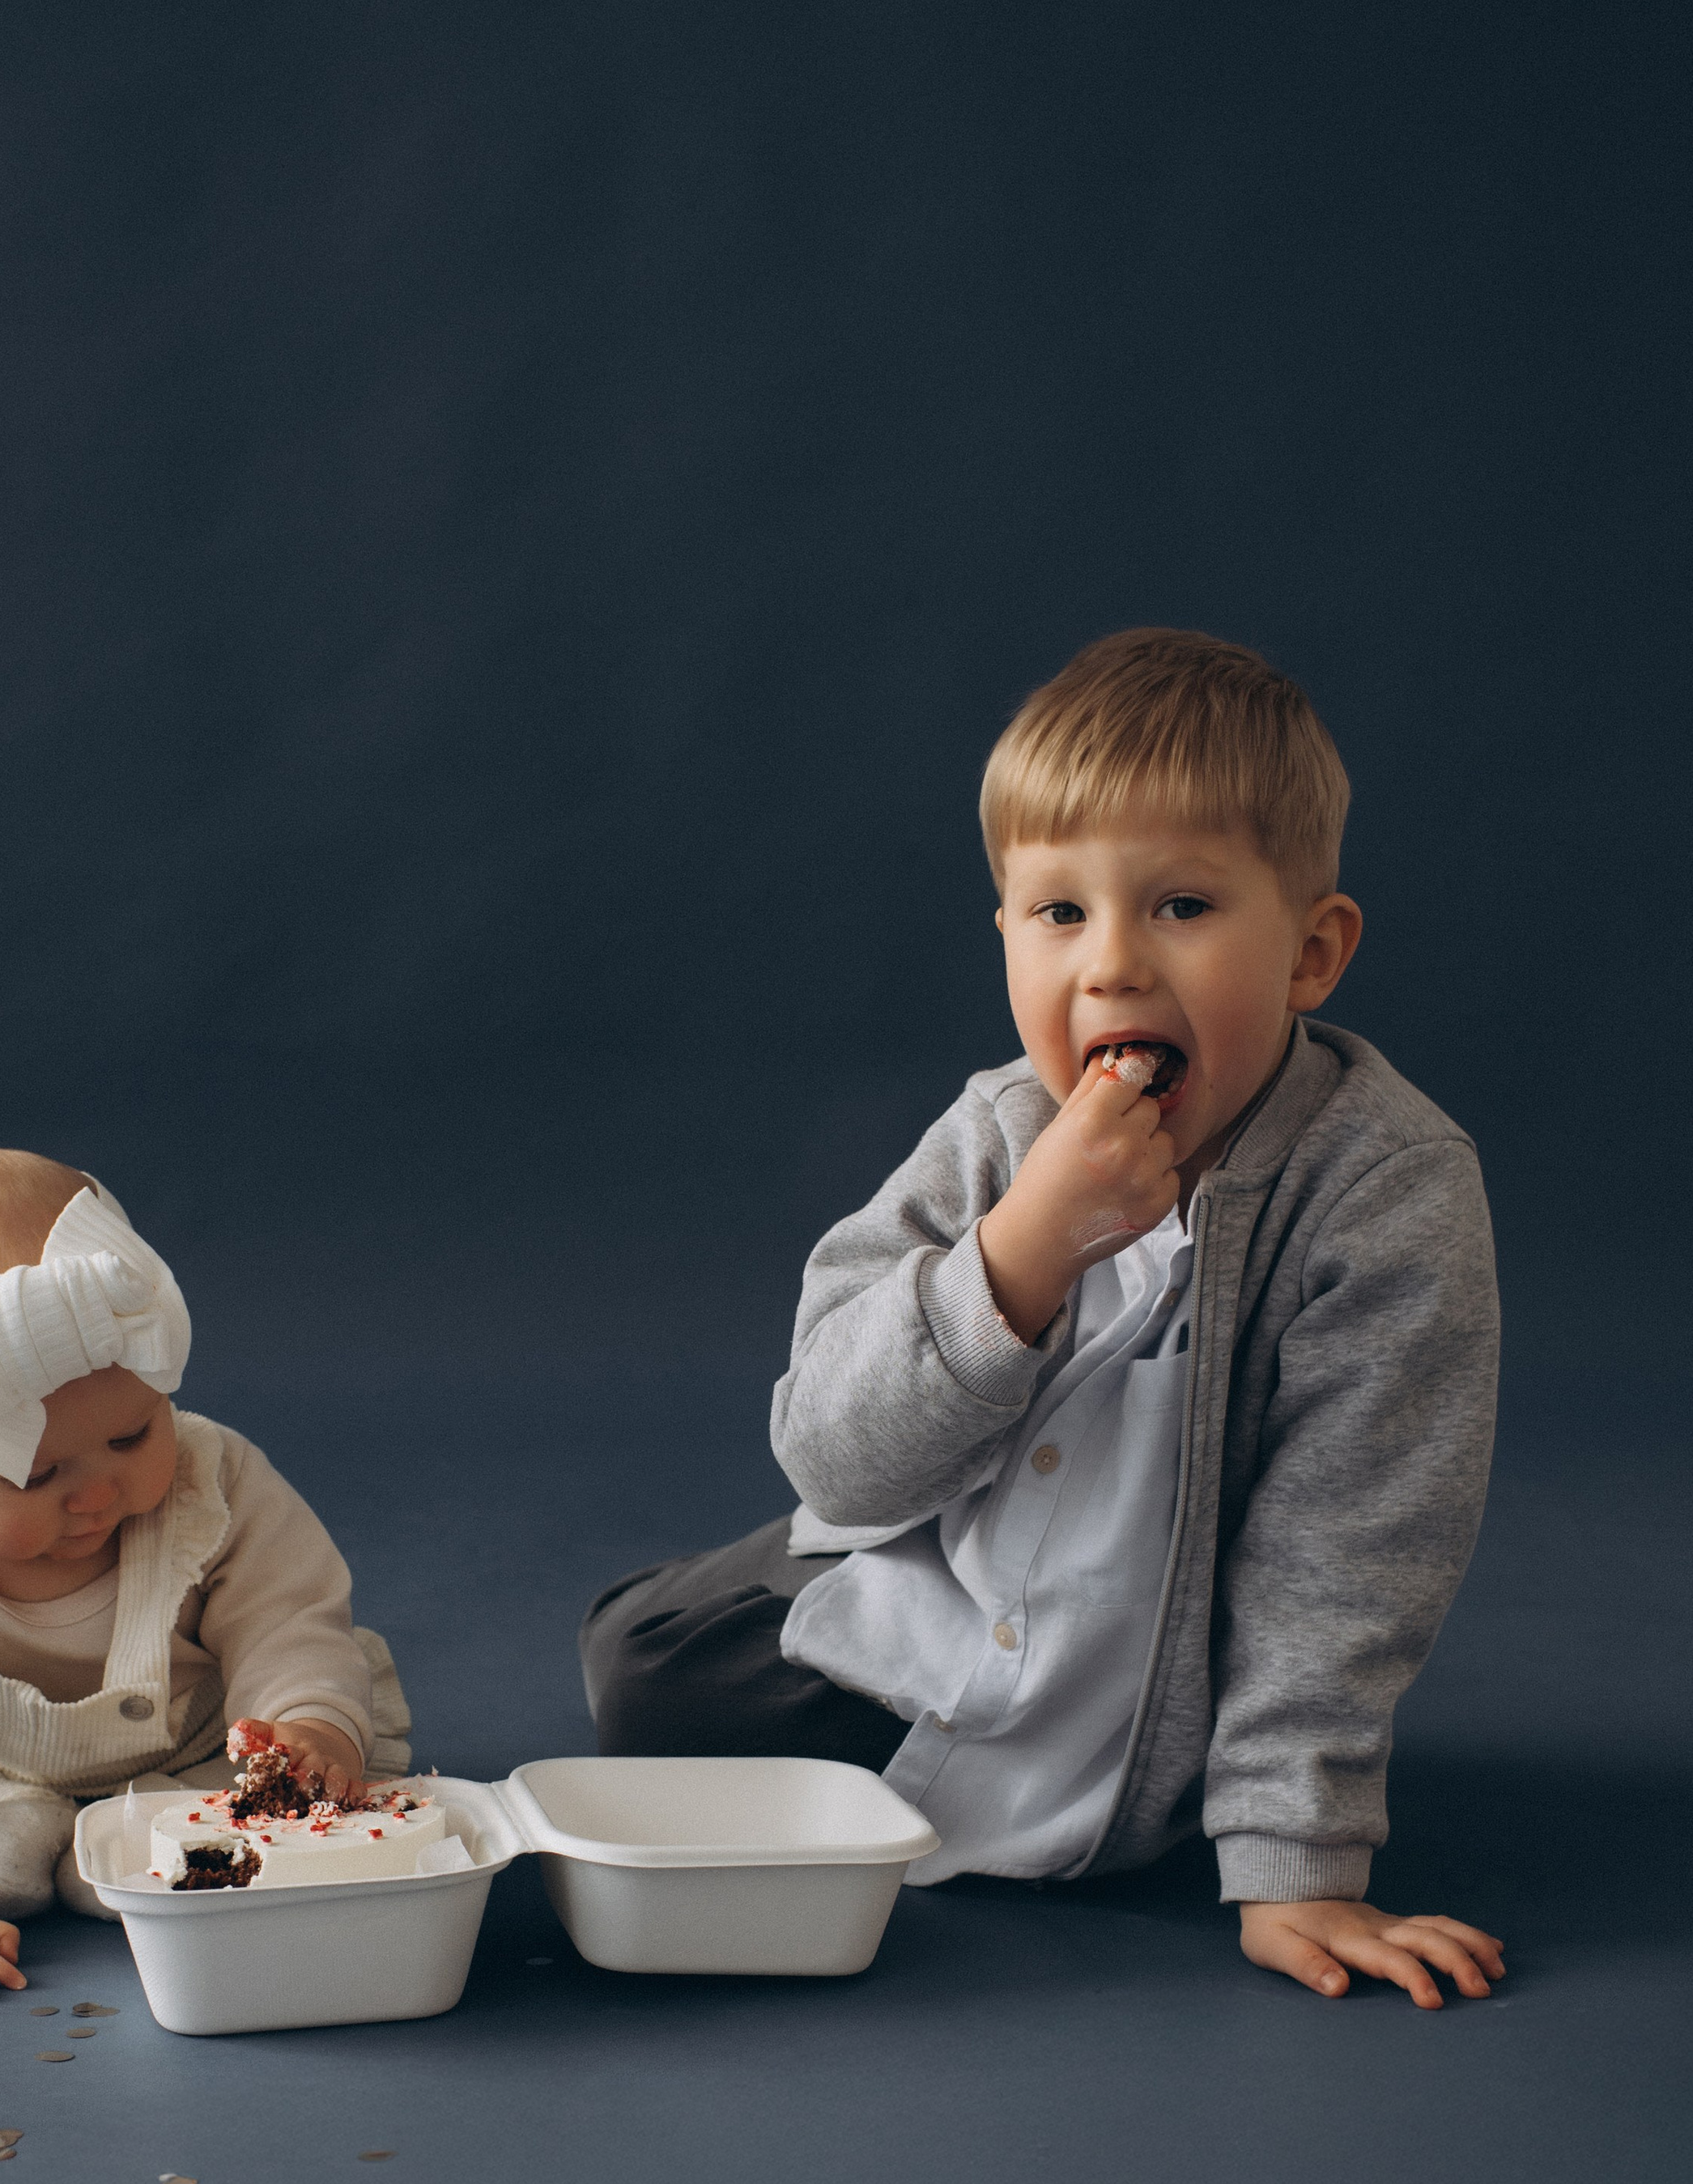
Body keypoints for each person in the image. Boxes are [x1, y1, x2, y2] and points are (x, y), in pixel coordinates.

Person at [581, 628, 1507, 2008]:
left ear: (1312, 952)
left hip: (1158, 1663)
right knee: (639, 1664)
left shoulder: (1385, 1190)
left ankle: (1192, 1778)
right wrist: (1019, 1256)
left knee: (1219, 1736)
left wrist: (1294, 1859)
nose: (1114, 968)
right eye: (1059, 913)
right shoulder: (998, 1127)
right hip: (955, 1559)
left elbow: (1353, 1548)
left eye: (1183, 906)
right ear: (1006, 932)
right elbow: (830, 1457)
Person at [0, 1149, 409, 2007]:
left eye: (134, 1435)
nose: (98, 1491)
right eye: (35, 1475)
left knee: (315, 1760)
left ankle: (140, 1833)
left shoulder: (213, 1485)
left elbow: (284, 1620)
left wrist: (305, 1726)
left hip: (197, 1736)